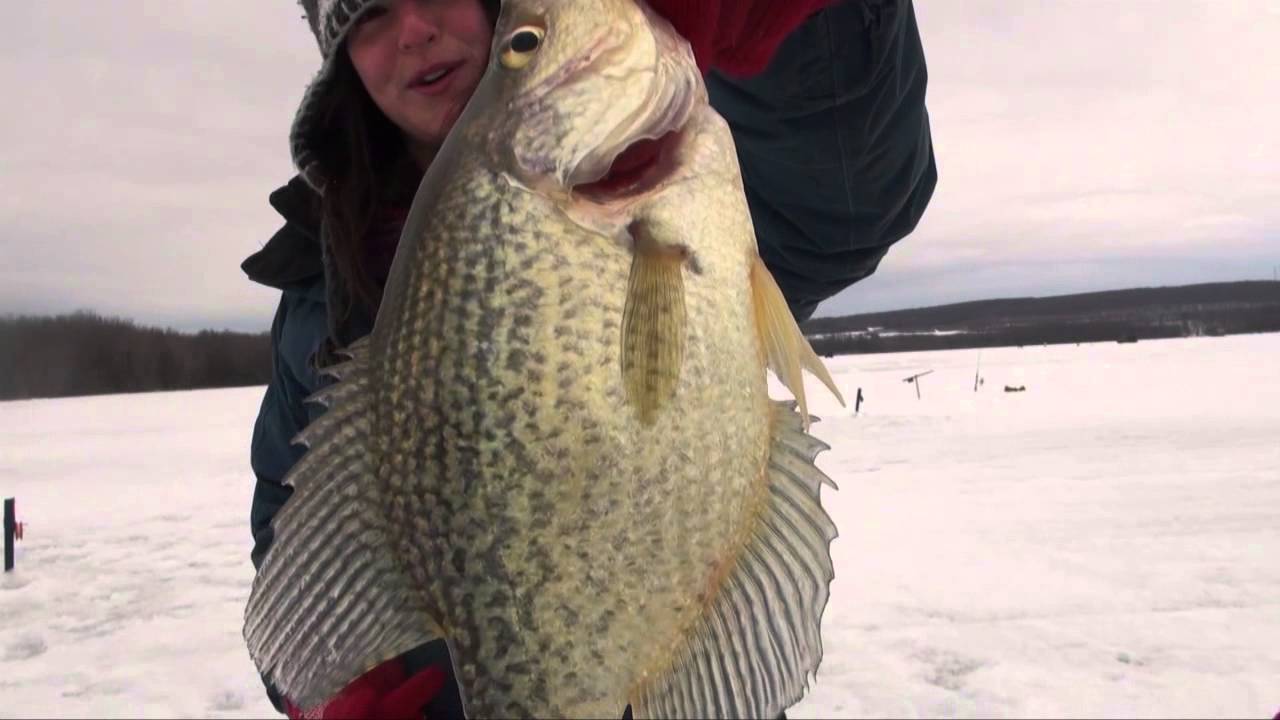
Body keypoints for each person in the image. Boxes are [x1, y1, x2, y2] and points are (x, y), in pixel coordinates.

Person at [242, 0, 937, 716]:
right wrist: (322, 698)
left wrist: (804, 21)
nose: (414, 30)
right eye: (369, 14)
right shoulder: (315, 289)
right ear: (343, 62)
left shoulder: (691, 155)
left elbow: (848, 197)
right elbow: (287, 523)